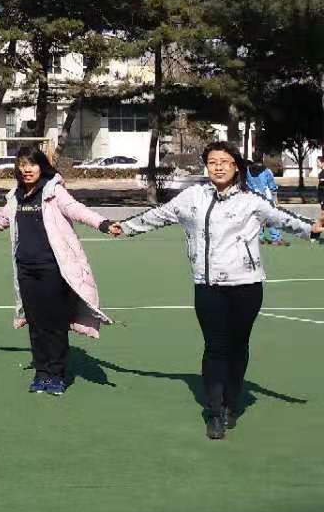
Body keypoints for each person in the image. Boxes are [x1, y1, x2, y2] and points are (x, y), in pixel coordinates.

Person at [118, 141, 322, 439]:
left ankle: (230, 404)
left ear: (236, 166)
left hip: (246, 285)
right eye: (212, 162)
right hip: (208, 286)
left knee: (238, 347)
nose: (218, 167)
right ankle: (214, 412)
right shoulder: (192, 197)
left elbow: (284, 219)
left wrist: (312, 229)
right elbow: (157, 215)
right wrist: (122, 227)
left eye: (224, 162)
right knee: (215, 348)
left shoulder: (251, 201)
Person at [0, 145, 118, 395]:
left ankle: (56, 374)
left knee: (54, 324)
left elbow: (76, 209)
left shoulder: (54, 191)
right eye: (22, 165)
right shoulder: (16, 196)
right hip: (25, 270)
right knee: (35, 325)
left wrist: (103, 223)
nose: (27, 169)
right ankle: (42, 373)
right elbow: (1, 220)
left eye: (32, 164)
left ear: (41, 166)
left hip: (52, 269)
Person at [245, 156, 286, 246]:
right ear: (262, 159)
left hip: (254, 197)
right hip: (266, 198)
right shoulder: (266, 171)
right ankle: (276, 238)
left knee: (258, 218)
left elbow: (247, 183)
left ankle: (259, 238)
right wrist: (275, 198)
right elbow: (272, 186)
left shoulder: (248, 170)